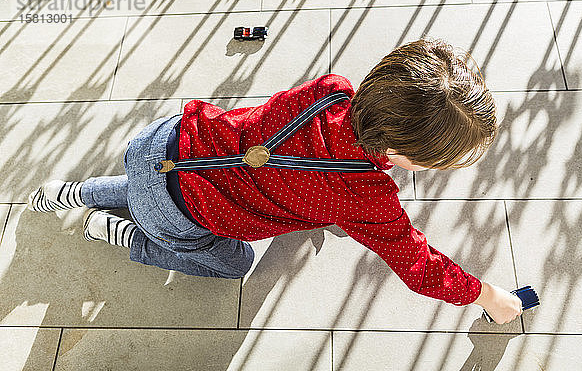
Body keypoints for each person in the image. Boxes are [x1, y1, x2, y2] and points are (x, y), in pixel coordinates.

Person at [27, 37, 522, 324]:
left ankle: (70, 194)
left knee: (151, 182)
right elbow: (420, 266)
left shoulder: (332, 91)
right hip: (182, 213)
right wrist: (487, 296)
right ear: (395, 153)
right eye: (429, 163)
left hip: (163, 141)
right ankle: (123, 235)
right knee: (236, 261)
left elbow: (300, 151)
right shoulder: (369, 197)